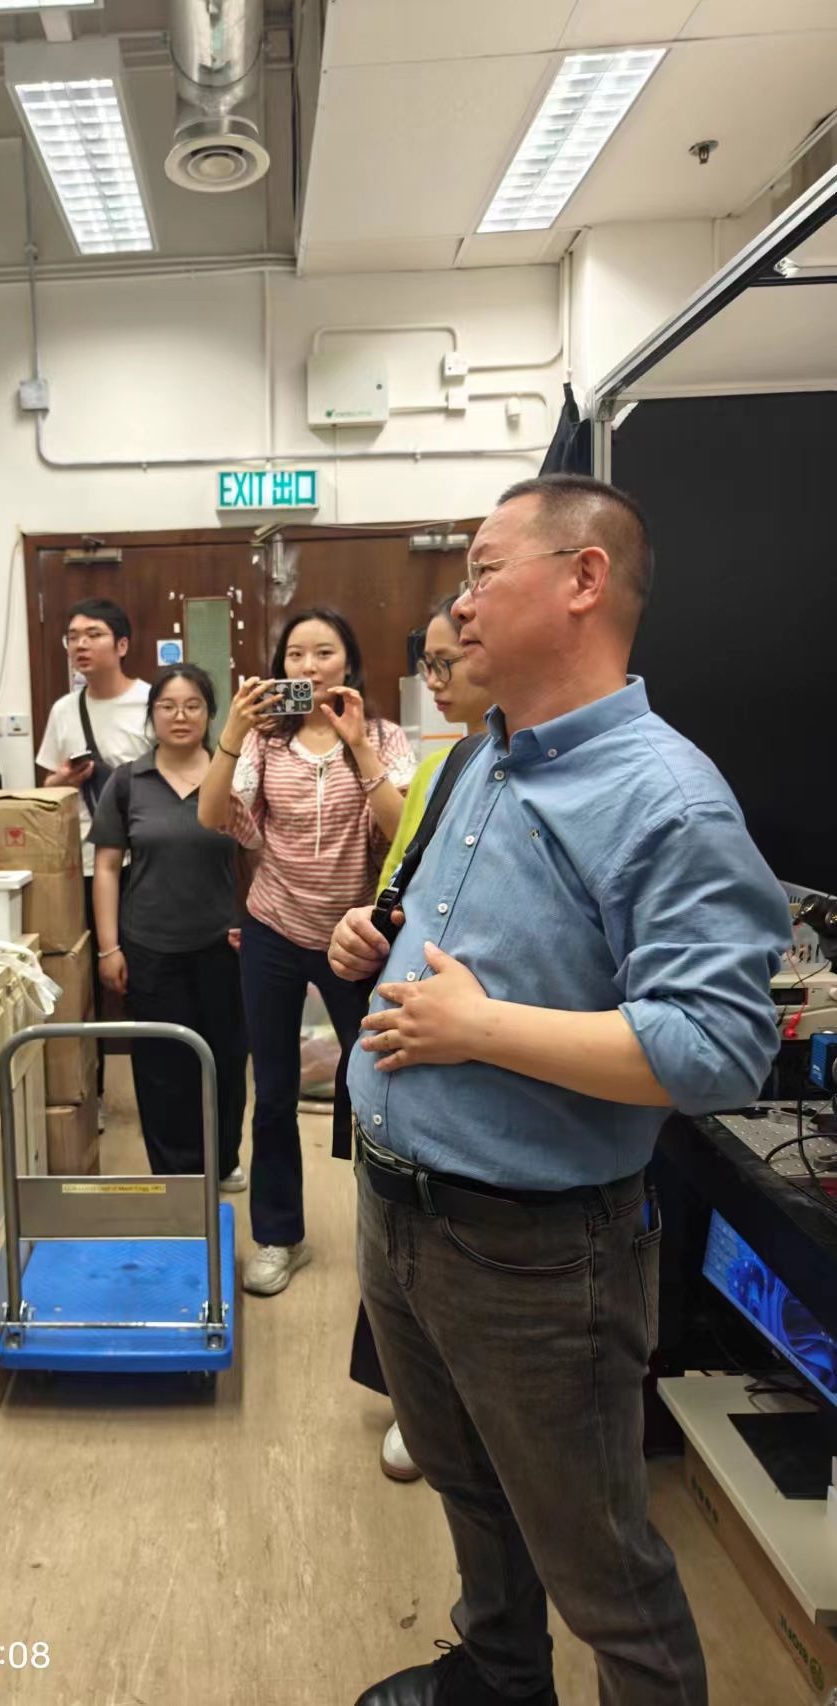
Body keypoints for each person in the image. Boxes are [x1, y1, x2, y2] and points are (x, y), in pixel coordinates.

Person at [329, 473, 791, 1706]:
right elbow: (476, 935)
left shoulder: (667, 799)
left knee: (600, 1564)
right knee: (469, 1488)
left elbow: (719, 1048)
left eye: (484, 571)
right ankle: (498, 1677)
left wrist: (481, 1028)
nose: (460, 606)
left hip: (536, 1251)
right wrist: (377, 937)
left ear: (583, 579)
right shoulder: (480, 759)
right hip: (402, 1210)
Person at [197, 607, 412, 1297]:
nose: (308, 666)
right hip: (273, 929)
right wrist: (232, 733)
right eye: (295, 655)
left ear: (348, 662)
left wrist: (359, 749)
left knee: (379, 1086)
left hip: (355, 937)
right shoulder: (265, 743)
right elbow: (212, 817)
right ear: (279, 667)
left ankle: (393, 1237)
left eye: (323, 652)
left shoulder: (383, 736)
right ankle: (277, 1236)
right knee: (273, 1094)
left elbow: (404, 832)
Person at [351, 594, 493, 1486]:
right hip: (396, 1114)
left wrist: (482, 1026)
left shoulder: (632, 783)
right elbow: (400, 890)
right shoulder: (451, 766)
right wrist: (365, 930)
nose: (435, 679)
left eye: (449, 659)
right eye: (428, 664)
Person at [90, 663, 247, 1187]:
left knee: (227, 1058)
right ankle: (175, 1175)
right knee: (161, 1065)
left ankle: (222, 1159)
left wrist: (254, 923)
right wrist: (109, 948)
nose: (180, 716)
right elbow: (107, 867)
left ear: (210, 714)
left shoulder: (234, 775)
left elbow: (257, 856)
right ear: (152, 713)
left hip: (224, 944)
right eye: (168, 706)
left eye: (193, 705)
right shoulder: (127, 782)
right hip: (149, 945)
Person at [36, 597, 150, 1117]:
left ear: (121, 645)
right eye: (73, 636)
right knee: (87, 985)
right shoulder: (65, 709)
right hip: (83, 864)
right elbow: (45, 788)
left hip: (146, 865)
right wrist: (63, 779)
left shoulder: (151, 702)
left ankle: (159, 1096)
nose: (80, 644)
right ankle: (95, 1094)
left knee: (147, 979)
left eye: (93, 634)